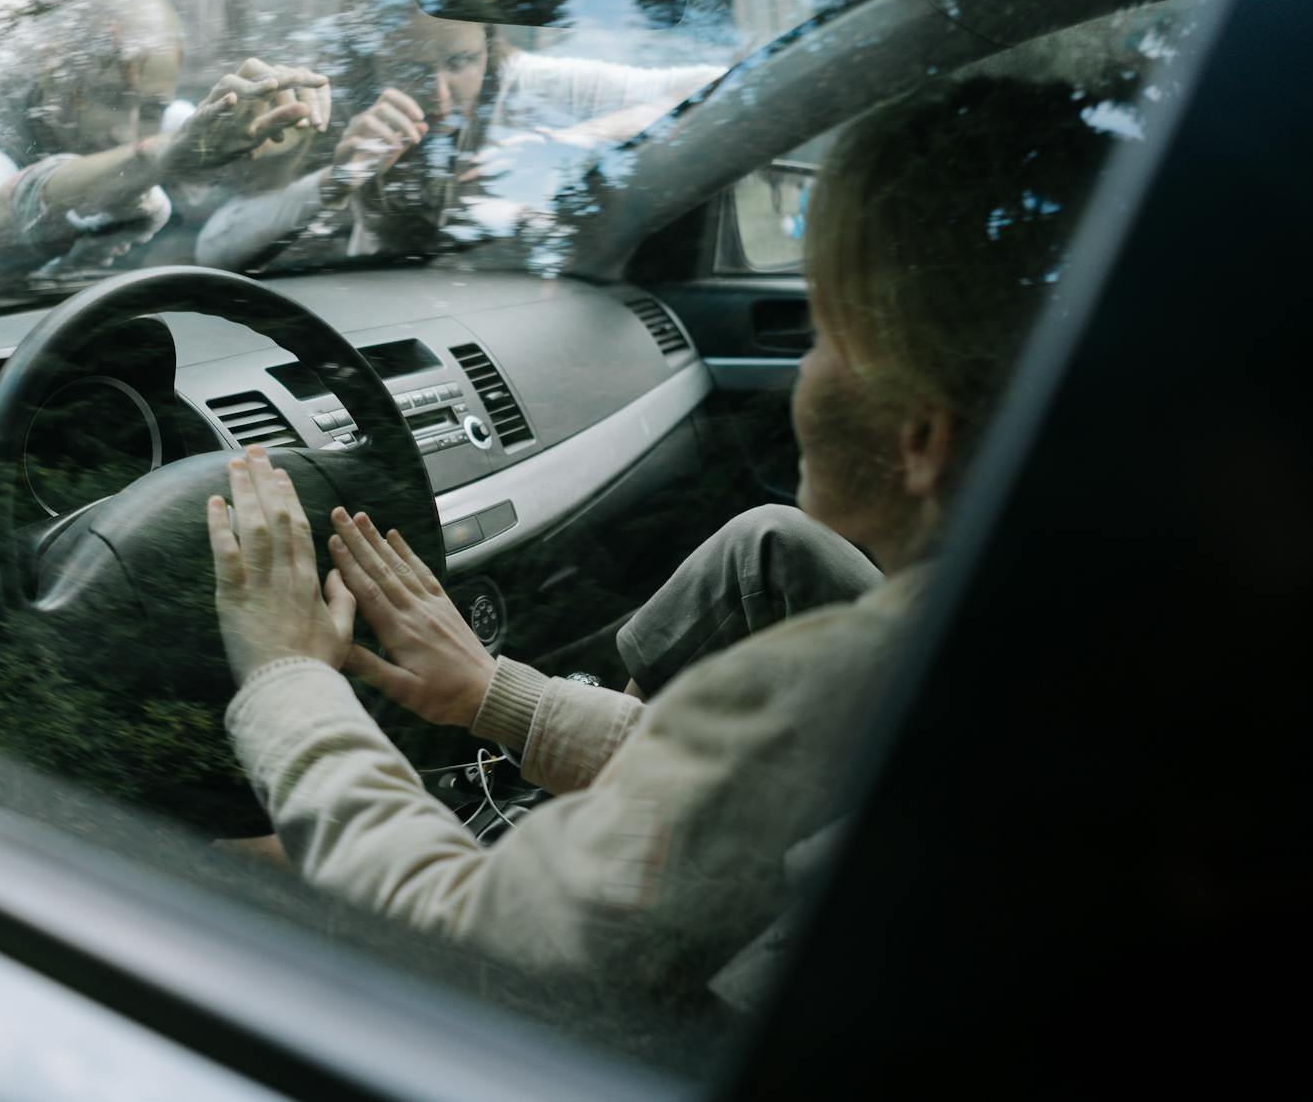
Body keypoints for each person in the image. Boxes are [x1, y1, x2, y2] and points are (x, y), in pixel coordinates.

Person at [203, 76, 1115, 1008]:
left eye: (828, 337)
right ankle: (548, 830)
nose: (805, 367)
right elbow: (751, 793)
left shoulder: (862, 665)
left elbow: (473, 939)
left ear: (922, 437)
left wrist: (289, 680)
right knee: (771, 544)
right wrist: (497, 696)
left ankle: (541, 848)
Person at [195, 10, 722, 270]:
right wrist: (336, 182)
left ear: (491, 49)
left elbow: (717, 84)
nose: (441, 98)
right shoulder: (339, 106)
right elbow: (216, 248)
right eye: (411, 68)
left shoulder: (530, 84)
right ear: (374, 59)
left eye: (460, 63)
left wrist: (567, 143)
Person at [0, 0, 329, 268]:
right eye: (109, 98)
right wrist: (154, 157)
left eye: (150, 109)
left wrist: (280, 141)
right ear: (53, 73)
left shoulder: (171, 125)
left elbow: (254, 188)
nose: (127, 130)